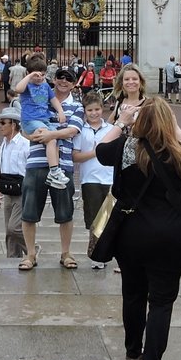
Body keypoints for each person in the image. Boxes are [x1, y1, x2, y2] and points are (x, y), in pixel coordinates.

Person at [91, 95, 181, 360]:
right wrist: (174, 125)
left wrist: (122, 120)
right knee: (161, 300)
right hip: (170, 235)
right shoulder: (180, 152)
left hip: (130, 233)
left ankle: (133, 349)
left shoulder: (126, 148)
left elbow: (100, 149)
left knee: (132, 293)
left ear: (140, 122)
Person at [17, 67, 84, 270]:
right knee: (29, 211)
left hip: (63, 164)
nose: (64, 81)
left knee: (65, 212)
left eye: (69, 79)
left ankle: (66, 252)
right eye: (60, 77)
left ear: (74, 84)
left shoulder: (77, 106)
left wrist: (50, 136)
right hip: (36, 162)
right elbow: (23, 127)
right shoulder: (38, 94)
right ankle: (30, 254)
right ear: (53, 79)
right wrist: (31, 136)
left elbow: (73, 130)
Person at [13, 56, 69, 189]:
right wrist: (29, 76)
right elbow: (18, 89)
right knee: (50, 139)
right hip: (30, 120)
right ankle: (54, 170)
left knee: (55, 139)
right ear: (29, 74)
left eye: (42, 75)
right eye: (36, 76)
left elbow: (53, 99)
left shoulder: (45, 85)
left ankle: (53, 172)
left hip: (44, 119)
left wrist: (60, 111)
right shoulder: (27, 85)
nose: (39, 78)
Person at [73, 93, 115, 270]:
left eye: (97, 109)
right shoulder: (80, 130)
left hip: (110, 178)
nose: (94, 113)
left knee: (111, 219)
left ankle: (112, 251)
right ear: (85, 111)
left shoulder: (111, 129)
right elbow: (76, 156)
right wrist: (95, 152)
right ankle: (96, 253)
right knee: (95, 219)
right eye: (90, 110)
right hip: (90, 179)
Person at [0, 108, 31, 258]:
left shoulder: (25, 144)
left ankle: (32, 249)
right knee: (8, 232)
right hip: (8, 191)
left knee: (13, 228)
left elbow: (30, 168)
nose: (0, 126)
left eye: (3, 123)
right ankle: (12, 259)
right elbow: (1, 168)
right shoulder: (4, 144)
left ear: (13, 125)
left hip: (22, 191)